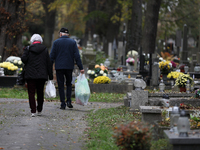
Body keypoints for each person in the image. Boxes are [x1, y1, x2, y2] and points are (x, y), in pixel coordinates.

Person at [50, 27, 84, 110]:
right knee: (69, 84)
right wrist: (81, 67)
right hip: (69, 67)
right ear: (68, 35)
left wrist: (49, 67)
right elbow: (77, 56)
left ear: (60, 34)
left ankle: (62, 103)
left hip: (59, 67)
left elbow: (52, 56)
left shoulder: (56, 42)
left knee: (61, 85)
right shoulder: (72, 42)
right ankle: (68, 100)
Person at [21, 34, 53, 117]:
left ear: (32, 41)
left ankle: (33, 110)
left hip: (30, 74)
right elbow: (48, 63)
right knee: (40, 92)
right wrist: (50, 76)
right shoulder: (45, 49)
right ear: (40, 41)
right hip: (42, 75)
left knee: (31, 92)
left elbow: (23, 59)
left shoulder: (28, 49)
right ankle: (39, 109)